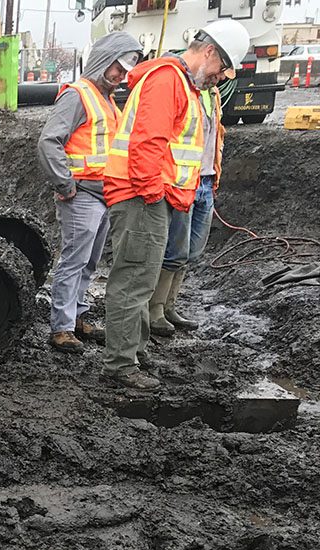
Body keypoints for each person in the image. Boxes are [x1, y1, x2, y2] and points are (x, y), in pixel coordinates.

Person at [100, 19, 250, 390]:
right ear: (210, 52)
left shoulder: (181, 83)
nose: (219, 78)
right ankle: (120, 365)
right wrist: (154, 194)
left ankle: (135, 350)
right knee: (134, 280)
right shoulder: (168, 80)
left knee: (144, 279)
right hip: (142, 196)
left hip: (153, 197)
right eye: (220, 69)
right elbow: (148, 143)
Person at [37, 32, 143, 354]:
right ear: (103, 61)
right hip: (81, 193)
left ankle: (78, 317)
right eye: (118, 69)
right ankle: (62, 328)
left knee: (90, 262)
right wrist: (65, 184)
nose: (121, 77)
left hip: (102, 193)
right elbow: (48, 142)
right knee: (74, 260)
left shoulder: (106, 99)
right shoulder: (78, 96)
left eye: (125, 72)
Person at [149, 81, 226, 336]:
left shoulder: (212, 95)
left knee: (192, 250)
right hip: (184, 182)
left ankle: (169, 306)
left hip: (205, 180)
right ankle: (155, 309)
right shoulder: (185, 91)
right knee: (176, 250)